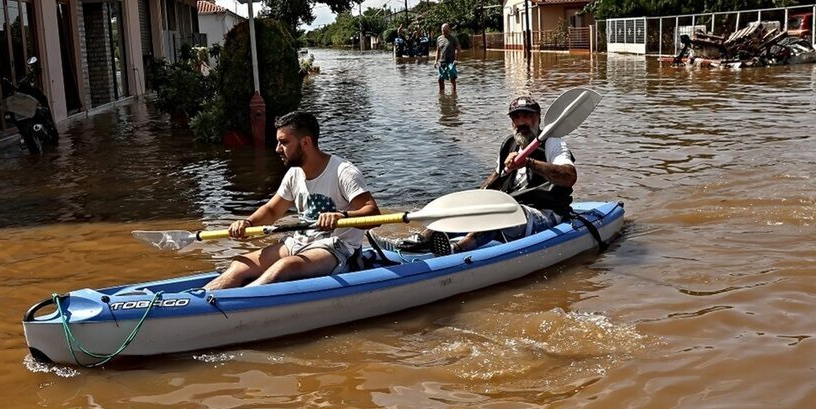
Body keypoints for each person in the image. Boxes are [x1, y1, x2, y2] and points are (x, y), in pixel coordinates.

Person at [203, 111, 381, 290]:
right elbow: (272, 211)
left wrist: (341, 216)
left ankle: (235, 305)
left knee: (284, 267)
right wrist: (247, 222)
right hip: (299, 243)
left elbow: (373, 213)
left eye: (284, 142)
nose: (277, 149)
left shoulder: (344, 172)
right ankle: (202, 298)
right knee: (240, 264)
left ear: (305, 142)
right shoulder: (294, 173)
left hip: (338, 248)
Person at [398, 95, 576, 254]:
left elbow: (569, 176)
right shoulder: (509, 144)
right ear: (511, 121)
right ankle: (423, 239)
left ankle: (457, 249)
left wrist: (529, 162)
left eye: (527, 116)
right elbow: (496, 177)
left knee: (499, 212)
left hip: (546, 213)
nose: (521, 121)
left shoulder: (553, 143)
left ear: (537, 118)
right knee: (469, 205)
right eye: (516, 117)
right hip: (513, 209)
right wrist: (474, 200)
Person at [435, 23, 460, 93]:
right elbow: (437, 50)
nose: (444, 31)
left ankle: (454, 93)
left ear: (448, 30)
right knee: (440, 78)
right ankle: (441, 93)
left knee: (452, 78)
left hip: (451, 61)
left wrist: (456, 60)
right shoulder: (439, 39)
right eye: (443, 30)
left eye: (445, 29)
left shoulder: (453, 38)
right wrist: (435, 61)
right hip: (442, 61)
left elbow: (458, 49)